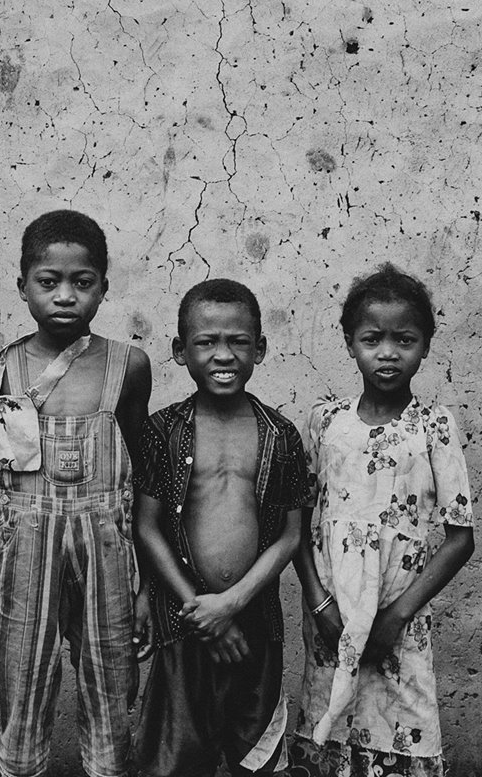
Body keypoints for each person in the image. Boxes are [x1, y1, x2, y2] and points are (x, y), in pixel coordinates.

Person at [0, 209, 153, 777]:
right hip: (24, 555)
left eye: (82, 282)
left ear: (104, 286)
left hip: (109, 557)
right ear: (22, 284)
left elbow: (145, 480)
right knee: (20, 697)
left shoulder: (128, 366)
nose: (65, 296)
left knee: (112, 703)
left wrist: (148, 589)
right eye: (48, 282)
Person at [292, 266, 476, 777]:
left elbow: (460, 538)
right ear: (350, 343)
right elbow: (297, 525)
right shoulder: (325, 422)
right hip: (332, 612)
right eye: (373, 338)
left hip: (401, 614)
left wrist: (396, 617)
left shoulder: (434, 426)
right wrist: (319, 602)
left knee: (403, 725)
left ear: (426, 345)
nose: (388, 352)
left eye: (405, 339)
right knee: (330, 719)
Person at [133, 278, 313, 777]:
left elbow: (291, 535)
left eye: (238, 341)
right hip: (184, 621)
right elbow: (146, 529)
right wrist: (202, 612)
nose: (223, 355)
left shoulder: (281, 435)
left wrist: (231, 606)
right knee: (175, 760)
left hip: (255, 626)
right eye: (207, 342)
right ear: (179, 350)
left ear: (260, 347)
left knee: (256, 757)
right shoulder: (162, 431)